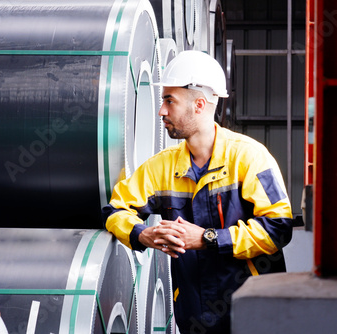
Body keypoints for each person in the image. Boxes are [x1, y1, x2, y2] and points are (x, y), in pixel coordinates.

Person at [102, 50, 294, 334]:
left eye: (169, 101)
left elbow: (279, 227)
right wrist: (142, 234)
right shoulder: (162, 168)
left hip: (255, 317)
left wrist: (208, 239)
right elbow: (115, 209)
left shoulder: (250, 158)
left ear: (199, 105)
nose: (161, 111)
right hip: (195, 319)